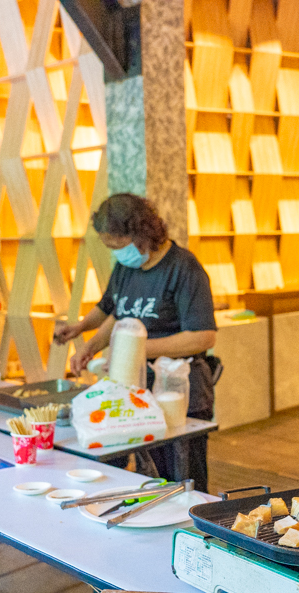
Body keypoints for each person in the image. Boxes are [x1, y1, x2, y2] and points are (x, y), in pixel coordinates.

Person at [58, 194, 218, 491]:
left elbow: (203, 336)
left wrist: (137, 350)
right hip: (134, 395)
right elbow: (116, 313)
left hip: (178, 392)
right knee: (147, 482)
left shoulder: (184, 269)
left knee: (183, 482)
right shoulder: (127, 268)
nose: (117, 254)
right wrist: (88, 343)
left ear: (142, 234)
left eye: (118, 246)